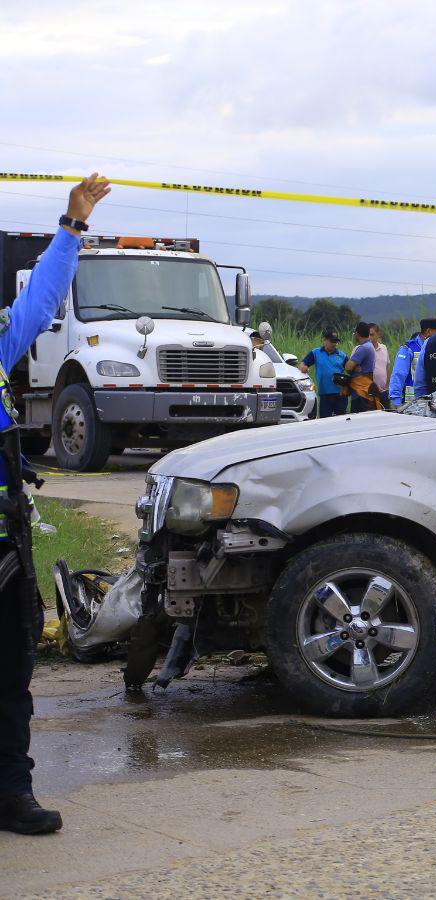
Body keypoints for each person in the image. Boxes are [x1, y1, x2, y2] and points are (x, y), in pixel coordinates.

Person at [1, 173, 110, 835]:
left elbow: (39, 302)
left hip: (5, 548)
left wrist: (72, 225)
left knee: (10, 677)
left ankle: (11, 791)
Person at [389, 317, 436, 407]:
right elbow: (398, 374)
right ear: (428, 331)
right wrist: (396, 401)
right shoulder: (408, 349)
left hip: (435, 402)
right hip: (411, 404)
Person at [299, 329, 348, 418]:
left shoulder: (342, 355)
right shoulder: (316, 353)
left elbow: (350, 369)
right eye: (332, 341)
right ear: (324, 340)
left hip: (340, 394)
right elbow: (303, 364)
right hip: (325, 395)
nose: (334, 344)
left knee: (341, 420)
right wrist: (303, 368)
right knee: (324, 420)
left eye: (336, 342)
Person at [343, 321, 381, 412]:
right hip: (366, 387)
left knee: (358, 416)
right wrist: (355, 367)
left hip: (361, 390)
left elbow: (348, 367)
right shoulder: (370, 346)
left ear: (357, 334)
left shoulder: (363, 348)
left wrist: (353, 367)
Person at [367, 323, 389, 406]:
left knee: (386, 412)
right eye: (367, 335)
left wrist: (387, 387)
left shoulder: (383, 348)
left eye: (372, 335)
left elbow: (386, 368)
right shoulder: (361, 349)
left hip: (384, 392)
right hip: (369, 392)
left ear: (378, 334)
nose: (369, 337)